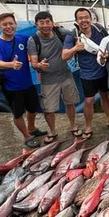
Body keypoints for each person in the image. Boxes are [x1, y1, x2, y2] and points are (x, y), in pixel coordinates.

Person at [0, 13, 41, 149]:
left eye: (11, 23)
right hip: (11, 87)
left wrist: (54, 27)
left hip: (28, 83)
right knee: (18, 113)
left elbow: (37, 38)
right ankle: (26, 136)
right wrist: (11, 64)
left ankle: (32, 128)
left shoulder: (22, 38)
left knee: (33, 109)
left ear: (15, 24)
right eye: (5, 24)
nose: (8, 27)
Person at [63, 8, 109, 139]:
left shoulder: (100, 30)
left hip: (103, 70)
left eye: (86, 17)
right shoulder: (73, 35)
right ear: (76, 20)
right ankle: (88, 126)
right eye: (80, 18)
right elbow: (64, 56)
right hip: (87, 73)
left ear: (91, 18)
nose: (84, 20)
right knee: (89, 100)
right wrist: (75, 48)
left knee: (105, 96)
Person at [27, 11, 81, 142]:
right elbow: (33, 63)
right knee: (49, 109)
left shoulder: (60, 33)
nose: (45, 25)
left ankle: (73, 126)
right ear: (36, 24)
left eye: (48, 22)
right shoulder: (33, 40)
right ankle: (52, 131)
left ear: (52, 22)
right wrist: (38, 65)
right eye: (41, 23)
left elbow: (74, 34)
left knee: (70, 103)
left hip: (66, 75)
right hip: (48, 79)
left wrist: (61, 28)